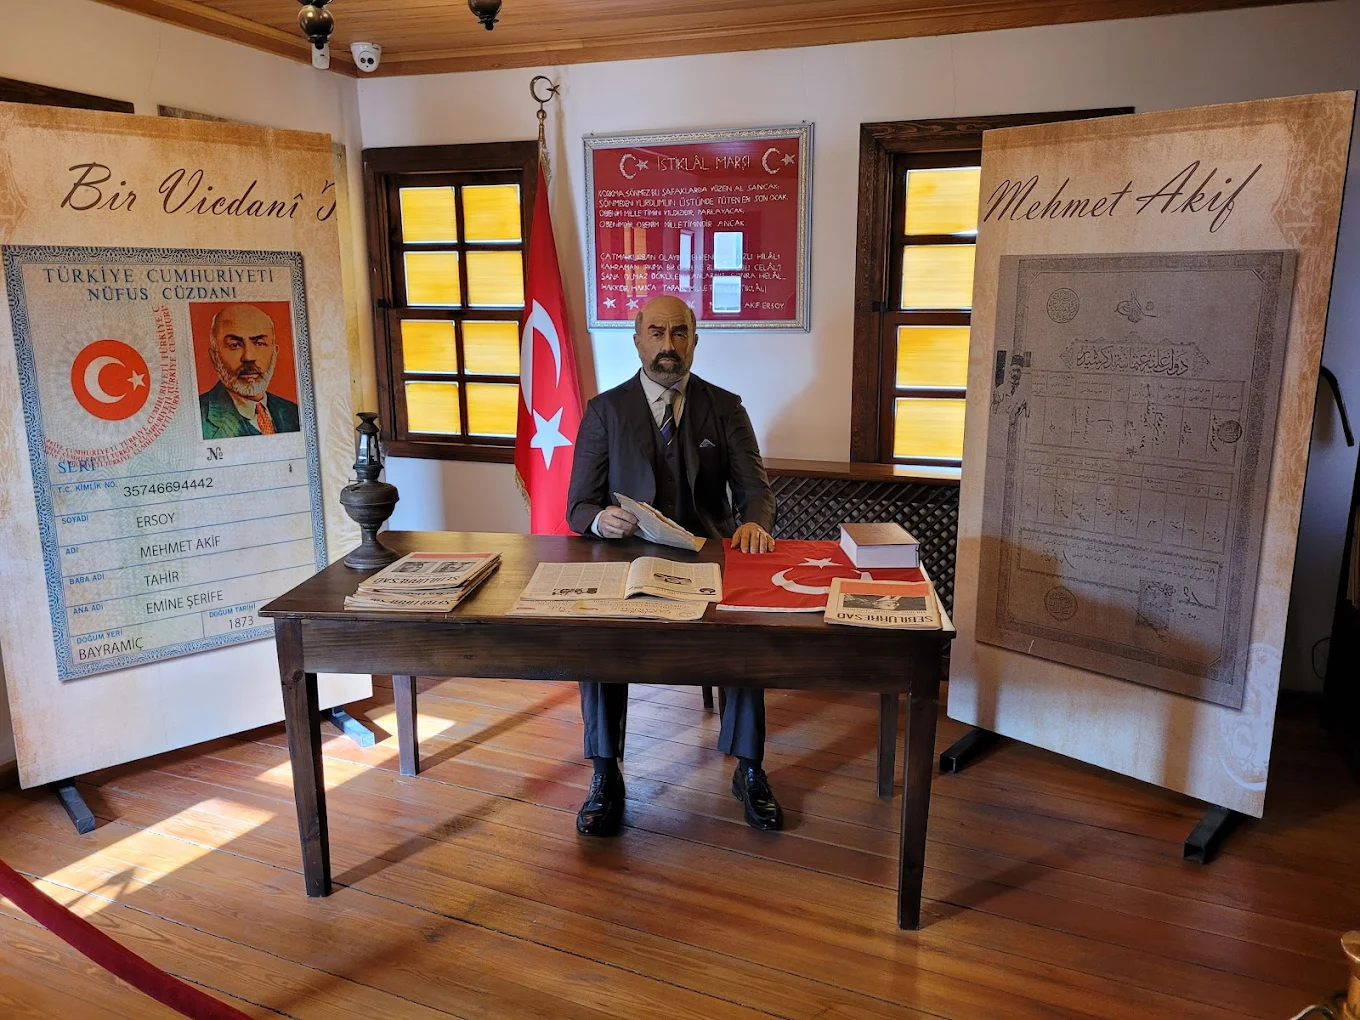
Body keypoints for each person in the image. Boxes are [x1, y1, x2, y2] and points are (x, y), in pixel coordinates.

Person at [565, 294, 782, 836]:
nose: (669, 345)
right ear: (637, 339)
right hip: (629, 561)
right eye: (657, 333)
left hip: (708, 557)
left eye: (679, 333)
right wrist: (600, 521)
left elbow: (756, 491)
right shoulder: (605, 411)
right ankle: (605, 773)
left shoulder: (725, 407)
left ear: (695, 340)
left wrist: (753, 523)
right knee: (597, 641)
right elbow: (577, 506)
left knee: (746, 639)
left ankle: (749, 769)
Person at [199, 303, 300, 440]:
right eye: (235, 345)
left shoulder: (293, 412)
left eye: (259, 343)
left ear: (274, 353)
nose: (248, 357)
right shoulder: (197, 418)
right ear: (214, 357)